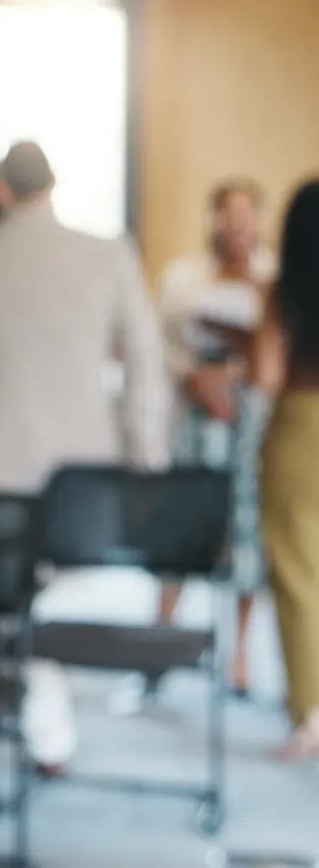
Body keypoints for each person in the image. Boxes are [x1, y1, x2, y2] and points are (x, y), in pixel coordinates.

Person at [0, 141, 169, 773]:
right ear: (53, 184)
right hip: (82, 472)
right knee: (45, 601)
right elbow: (145, 360)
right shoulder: (108, 255)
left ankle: (22, 719)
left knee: (7, 594)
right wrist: (147, 457)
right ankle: (43, 730)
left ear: (0, 189)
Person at [156, 179, 277, 693]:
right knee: (180, 524)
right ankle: (159, 642)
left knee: (245, 533)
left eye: (245, 214)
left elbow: (278, 352)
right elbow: (160, 343)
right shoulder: (183, 278)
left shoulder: (273, 279)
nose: (236, 224)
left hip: (248, 416)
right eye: (227, 213)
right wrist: (194, 380)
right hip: (194, 410)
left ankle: (240, 656)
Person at [254, 180, 319, 760]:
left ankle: (310, 716)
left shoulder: (285, 290)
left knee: (300, 577)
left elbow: (266, 375)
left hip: (300, 427)